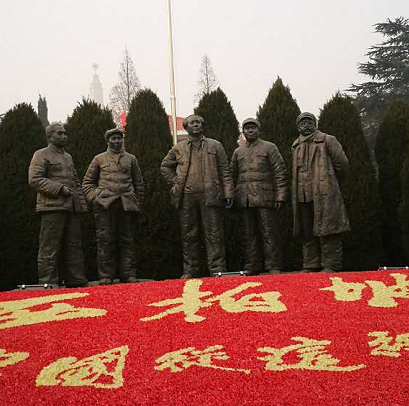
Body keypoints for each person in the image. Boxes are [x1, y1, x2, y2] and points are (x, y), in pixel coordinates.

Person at [160, 114, 233, 278]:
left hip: (210, 195)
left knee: (214, 233)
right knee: (189, 234)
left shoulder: (215, 145)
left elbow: (225, 171)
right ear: (186, 127)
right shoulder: (178, 148)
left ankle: (217, 269)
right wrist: (176, 182)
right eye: (192, 123)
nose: (196, 125)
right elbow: (165, 166)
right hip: (187, 197)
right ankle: (190, 270)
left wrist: (228, 192)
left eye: (199, 122)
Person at [28, 123, 88, 287]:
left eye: (65, 133)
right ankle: (47, 282)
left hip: (71, 208)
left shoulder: (68, 157)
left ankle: (76, 280)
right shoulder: (41, 154)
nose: (64, 136)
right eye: (60, 133)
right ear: (50, 136)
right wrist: (59, 188)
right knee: (49, 247)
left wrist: (81, 205)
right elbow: (34, 179)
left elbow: (75, 182)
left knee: (74, 246)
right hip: (52, 207)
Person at [82, 128, 145, 285]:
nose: (117, 141)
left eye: (119, 138)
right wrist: (96, 197)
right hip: (105, 206)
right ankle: (106, 275)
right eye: (113, 139)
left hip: (126, 205)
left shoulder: (131, 159)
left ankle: (128, 274)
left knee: (127, 240)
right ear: (107, 141)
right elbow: (87, 183)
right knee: (105, 240)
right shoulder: (99, 159)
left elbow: (139, 183)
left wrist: (137, 202)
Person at [291, 112, 350, 272]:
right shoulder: (296, 145)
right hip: (302, 195)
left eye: (309, 122)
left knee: (328, 229)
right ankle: (310, 264)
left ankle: (331, 265)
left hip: (324, 193)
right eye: (302, 123)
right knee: (307, 231)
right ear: (298, 127)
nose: (306, 126)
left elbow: (342, 164)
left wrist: (330, 181)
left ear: (315, 124)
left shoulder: (328, 140)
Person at [230, 117, 289, 275]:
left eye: (253, 127)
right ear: (243, 131)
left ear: (259, 130)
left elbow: (280, 172)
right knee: (248, 234)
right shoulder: (238, 152)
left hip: (265, 197)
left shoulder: (269, 147)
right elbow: (231, 175)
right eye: (247, 128)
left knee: (269, 232)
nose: (250, 130)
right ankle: (252, 265)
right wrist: (231, 195)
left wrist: (281, 195)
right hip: (244, 199)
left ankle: (273, 265)